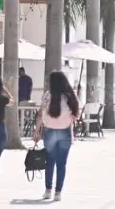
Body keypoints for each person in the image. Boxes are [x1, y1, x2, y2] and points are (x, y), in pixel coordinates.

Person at [34, 70, 80, 201]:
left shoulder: (47, 96)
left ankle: (48, 190)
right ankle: (58, 193)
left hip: (49, 132)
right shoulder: (71, 97)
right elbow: (77, 116)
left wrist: (37, 131)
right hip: (65, 132)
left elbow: (40, 115)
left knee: (50, 162)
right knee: (61, 164)